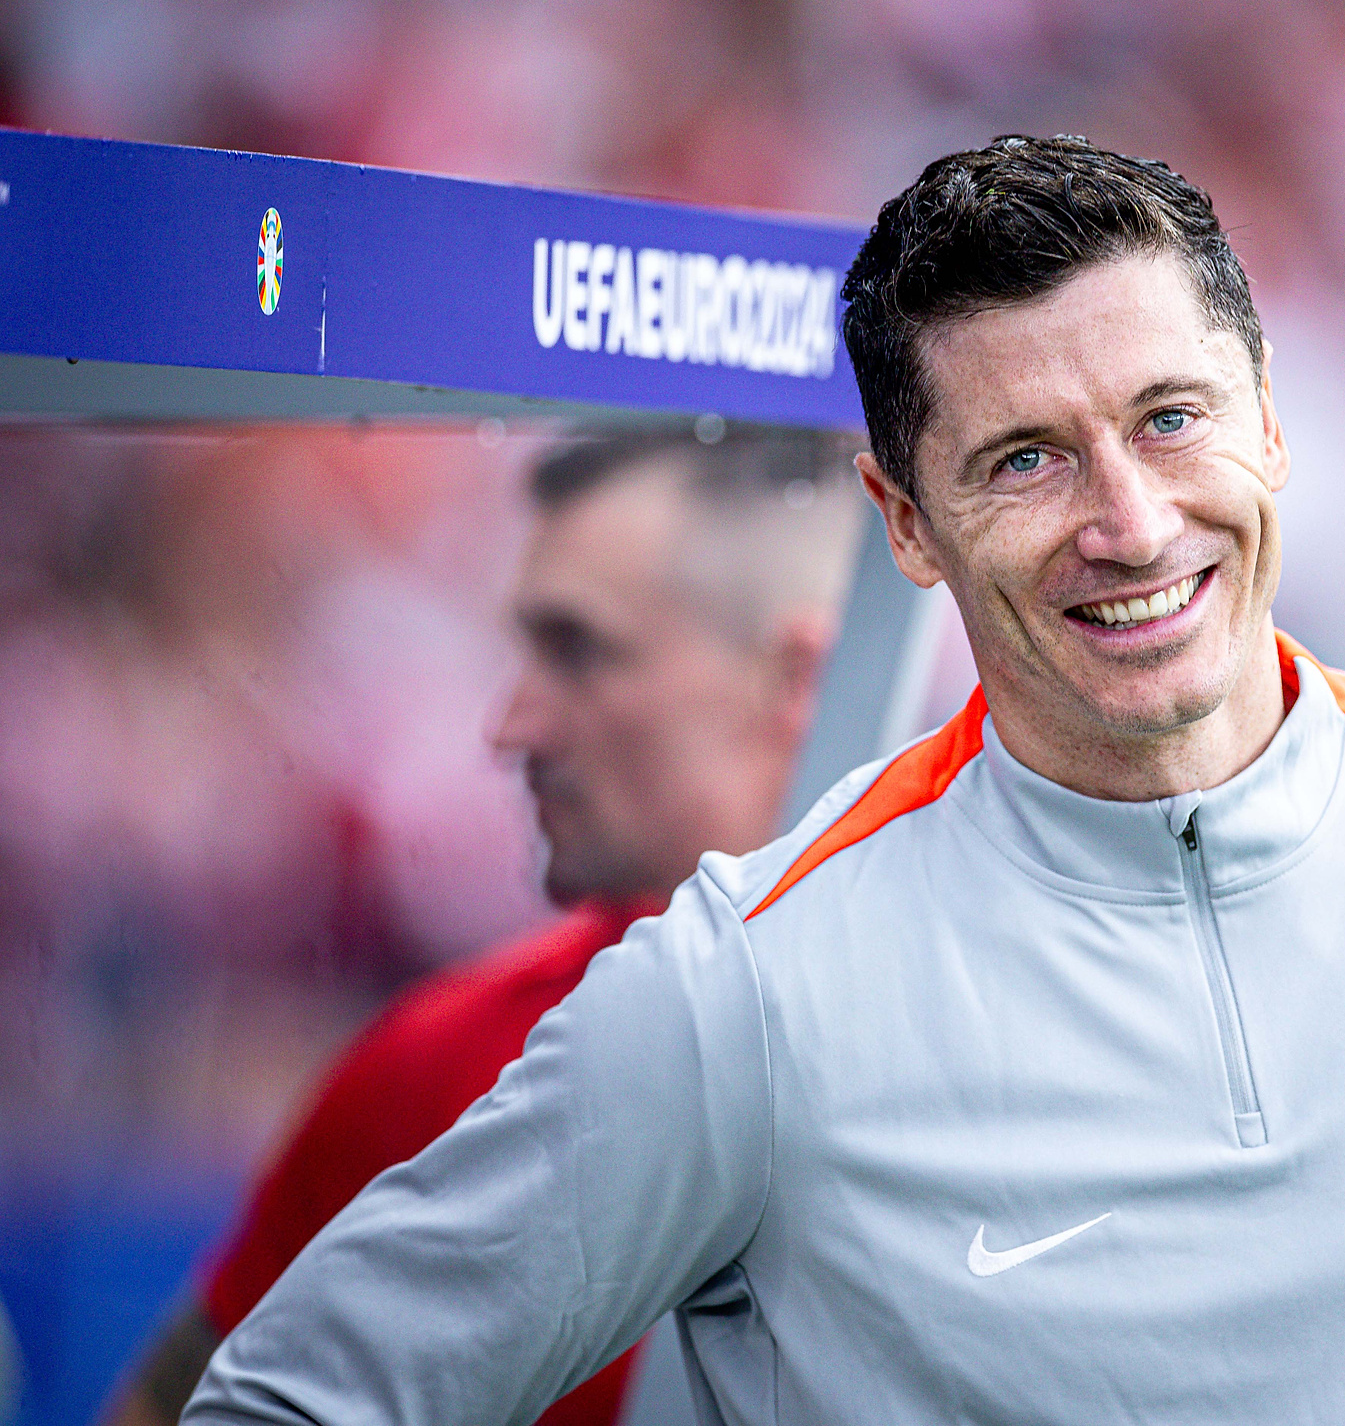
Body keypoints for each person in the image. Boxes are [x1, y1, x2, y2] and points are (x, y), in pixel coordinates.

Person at [183, 135, 1345, 1426]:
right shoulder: (748, 987)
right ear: (906, 524)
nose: (1129, 520)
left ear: (1271, 422)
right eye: (1022, 457)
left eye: (1173, 418)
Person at [106, 425, 858, 1426]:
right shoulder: (445, 1067)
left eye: (579, 651)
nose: (512, 725)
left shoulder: (990, 1020)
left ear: (795, 678)